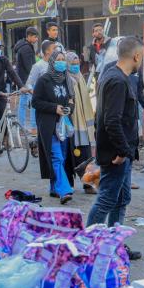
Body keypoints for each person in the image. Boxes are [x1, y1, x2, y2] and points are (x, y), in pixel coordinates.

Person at [87, 36, 144, 260]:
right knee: (106, 200)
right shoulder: (117, 80)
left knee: (121, 199)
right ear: (136, 56)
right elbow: (112, 120)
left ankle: (115, 244)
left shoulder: (116, 74)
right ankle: (89, 246)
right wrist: (121, 152)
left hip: (124, 152)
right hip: (115, 154)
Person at [32, 50, 74, 204]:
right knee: (56, 157)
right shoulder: (44, 80)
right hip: (48, 125)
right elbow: (35, 102)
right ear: (52, 62)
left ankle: (54, 187)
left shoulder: (65, 79)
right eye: (59, 59)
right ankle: (64, 190)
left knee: (62, 157)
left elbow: (70, 99)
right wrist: (54, 108)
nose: (62, 62)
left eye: (64, 59)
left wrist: (70, 107)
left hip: (63, 125)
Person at [65, 51, 96, 194]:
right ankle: (68, 185)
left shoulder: (80, 78)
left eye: (78, 64)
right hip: (71, 124)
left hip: (84, 123)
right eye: (73, 64)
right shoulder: (65, 79)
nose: (76, 66)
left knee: (86, 154)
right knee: (70, 155)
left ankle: (88, 183)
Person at [25, 40, 57, 136]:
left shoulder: (57, 64)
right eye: (54, 49)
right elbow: (29, 83)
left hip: (55, 101)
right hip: (43, 103)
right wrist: (35, 94)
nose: (57, 50)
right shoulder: (38, 66)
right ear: (47, 51)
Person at [14, 27, 39, 129]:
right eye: (35, 37)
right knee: (32, 103)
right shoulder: (26, 48)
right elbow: (30, 67)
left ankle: (22, 126)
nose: (36, 39)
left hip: (23, 80)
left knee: (23, 103)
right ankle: (32, 127)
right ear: (28, 36)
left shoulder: (23, 46)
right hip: (27, 80)